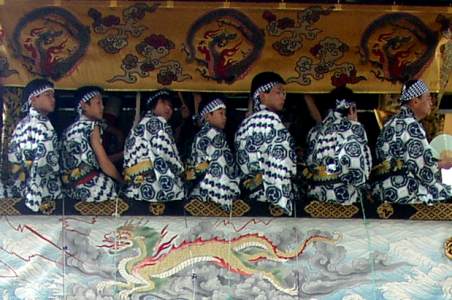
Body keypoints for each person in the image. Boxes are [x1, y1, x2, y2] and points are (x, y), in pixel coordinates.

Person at [372, 79, 452, 204]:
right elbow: (421, 166)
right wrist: (442, 164)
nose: (431, 102)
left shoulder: (390, 123)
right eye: (428, 98)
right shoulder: (411, 125)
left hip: (381, 189)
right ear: (415, 101)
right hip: (403, 190)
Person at [235, 71, 297, 215]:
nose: (283, 96)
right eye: (278, 92)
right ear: (263, 95)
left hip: (250, 197)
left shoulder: (244, 125)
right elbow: (282, 160)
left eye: (284, 93)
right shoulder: (271, 120)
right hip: (272, 199)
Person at [304, 86, 372, 204]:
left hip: (316, 195)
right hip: (343, 195)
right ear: (352, 108)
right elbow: (360, 168)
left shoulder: (314, 132)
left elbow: (309, 163)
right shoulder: (353, 127)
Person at [7, 78, 62, 212]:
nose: (53, 99)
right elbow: (42, 163)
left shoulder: (23, 124)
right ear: (33, 99)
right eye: (48, 95)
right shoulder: (41, 125)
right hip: (41, 192)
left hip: (20, 188)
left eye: (53, 95)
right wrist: (35, 193)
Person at [61, 86, 123, 203]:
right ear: (84, 105)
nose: (103, 107)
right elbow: (103, 163)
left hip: (71, 190)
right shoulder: (91, 127)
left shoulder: (69, 129)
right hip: (93, 188)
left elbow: (90, 160)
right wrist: (121, 181)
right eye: (98, 103)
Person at [123, 89, 184, 202]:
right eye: (163, 103)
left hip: (136, 189)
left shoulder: (139, 125)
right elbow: (165, 156)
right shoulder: (157, 122)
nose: (168, 108)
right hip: (155, 188)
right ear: (152, 105)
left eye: (170, 106)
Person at [186, 96, 240, 210]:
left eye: (225, 114)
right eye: (220, 113)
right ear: (207, 116)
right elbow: (219, 165)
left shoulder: (207, 134)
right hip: (212, 192)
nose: (224, 117)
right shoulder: (211, 134)